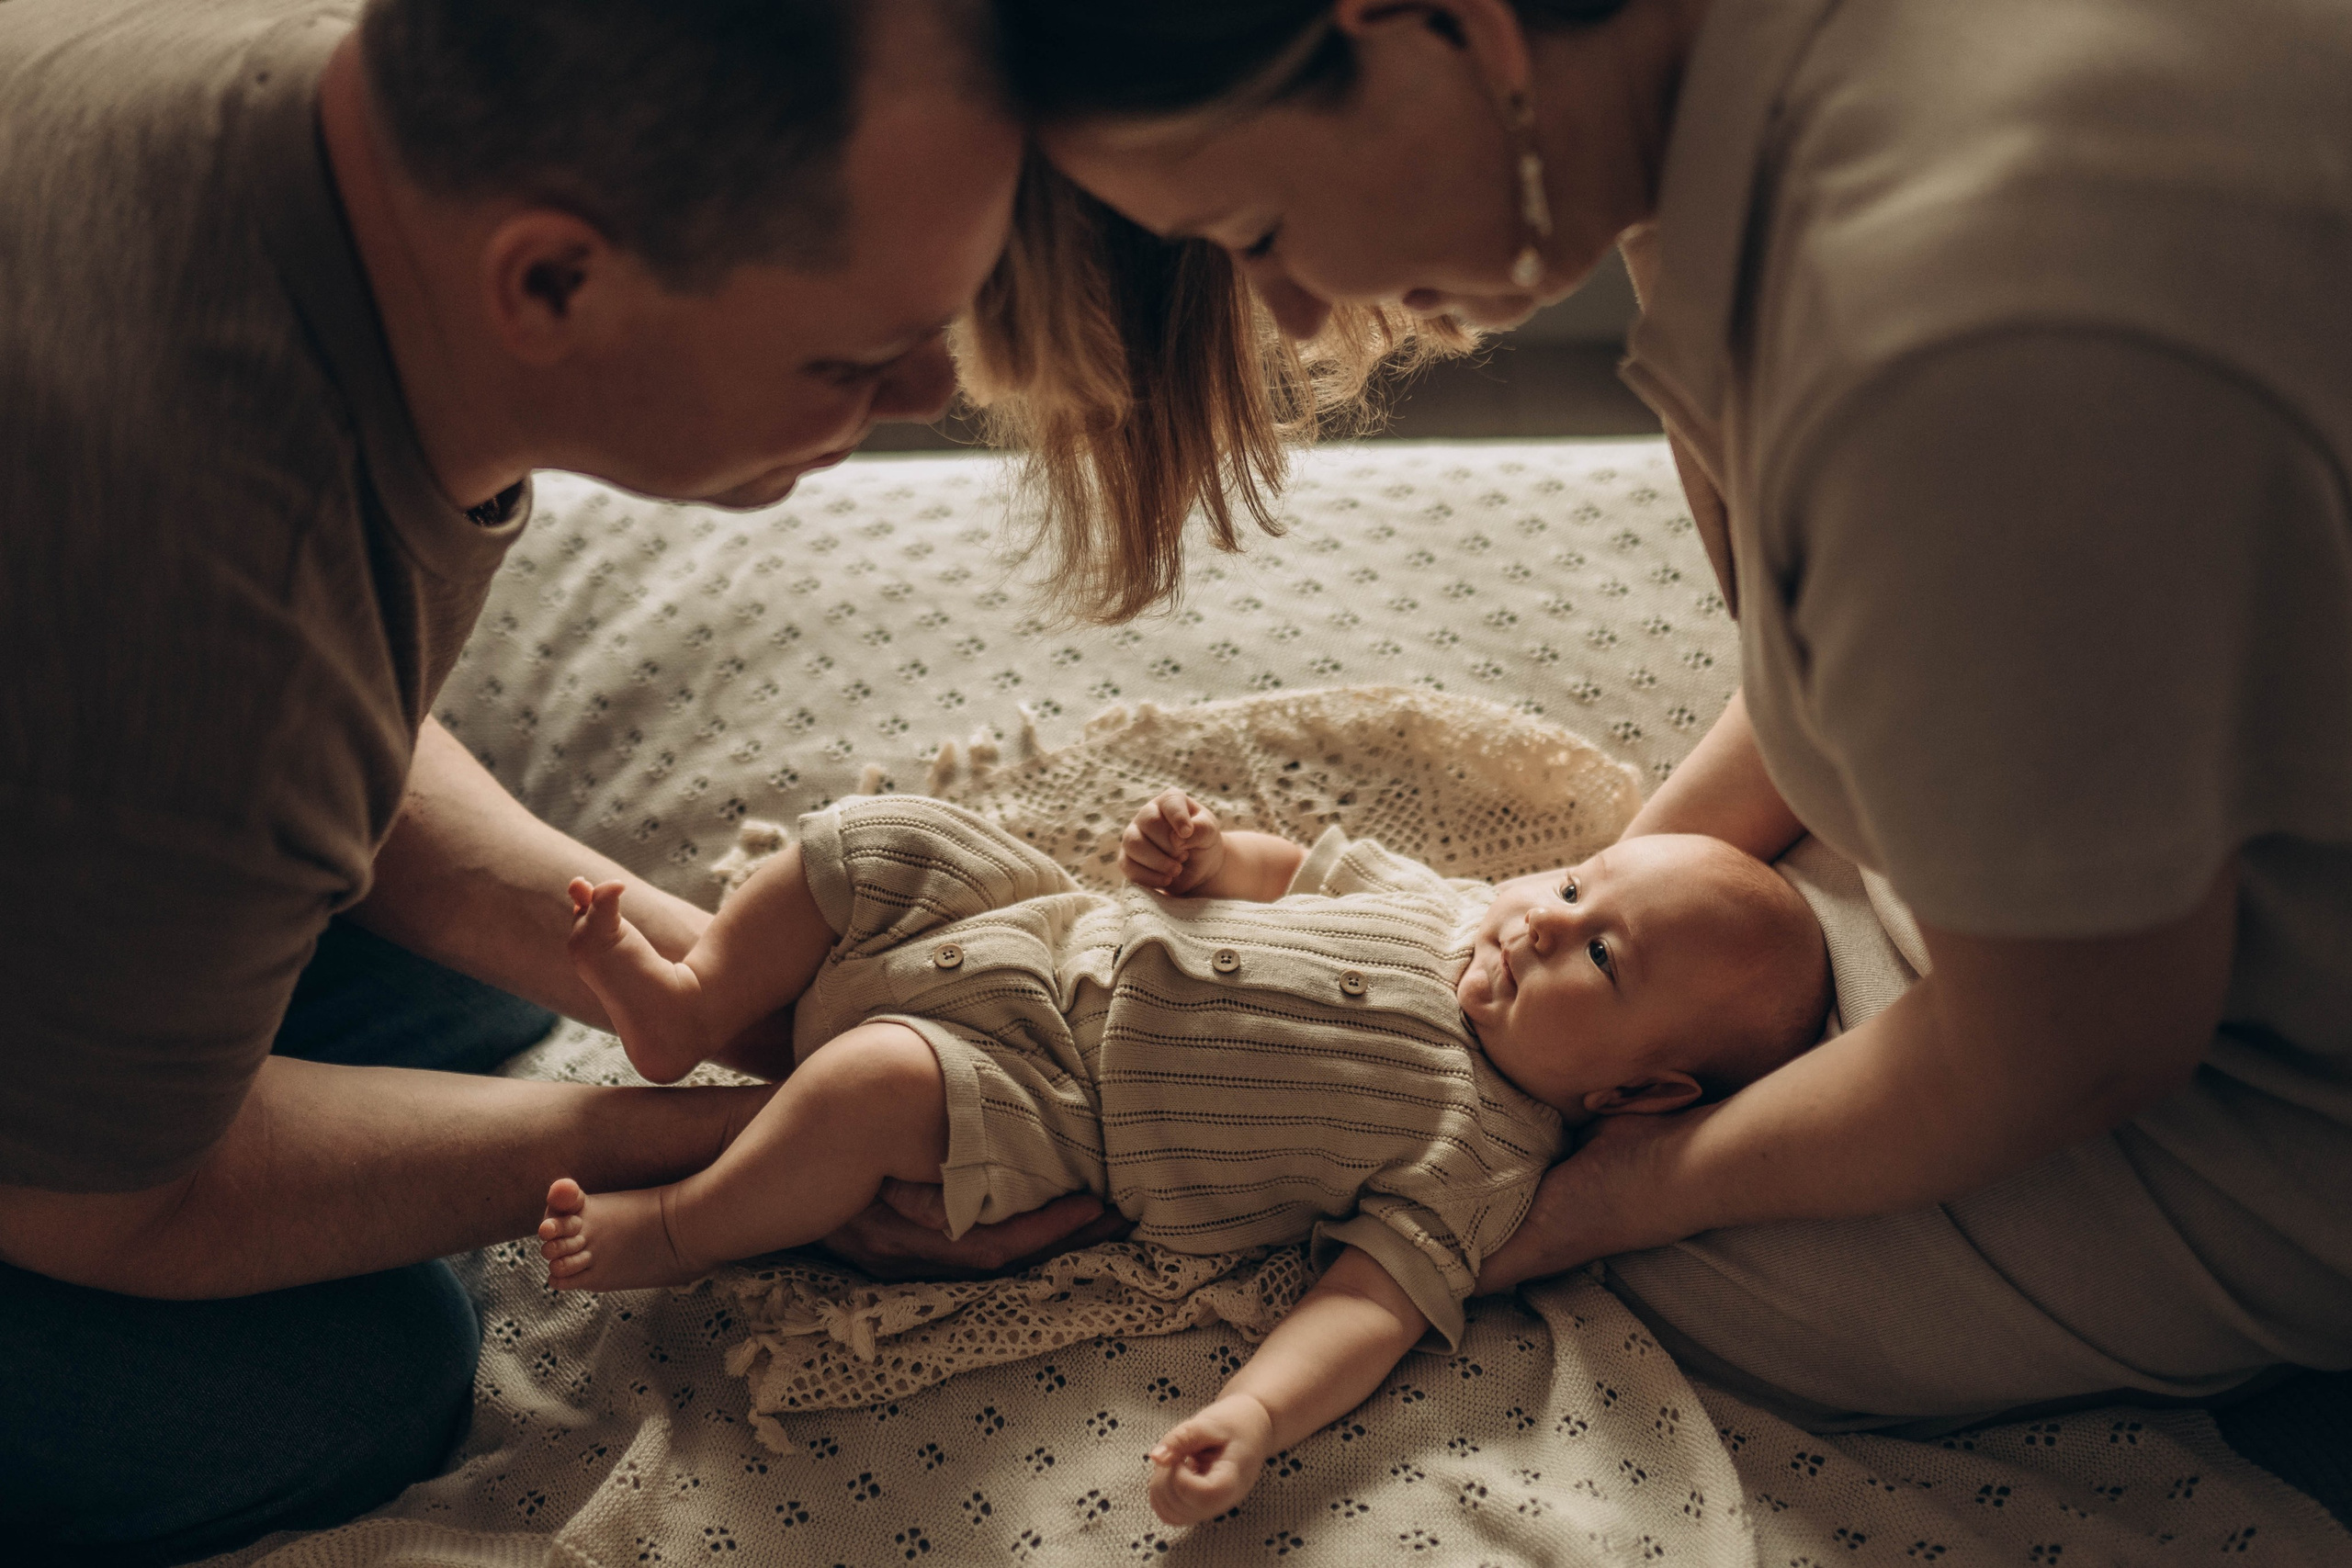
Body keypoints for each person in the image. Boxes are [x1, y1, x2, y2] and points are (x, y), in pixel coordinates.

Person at [967, 0, 2352, 1442]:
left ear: (1445, 27)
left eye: (1259, 230)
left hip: (2244, 1067)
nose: (1303, 311)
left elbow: (2082, 1044)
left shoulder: (1936, 343)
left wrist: (1615, 1195)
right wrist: (1601, 895)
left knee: (1584, 1283)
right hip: (2092, 889)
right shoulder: (1702, 131)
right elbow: (1854, 637)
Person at [0, 1, 1114, 1558]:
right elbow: (103, 1205)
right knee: (354, 1380)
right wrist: (758, 1152)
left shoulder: (313, 109)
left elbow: (322, 709)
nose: (932, 387)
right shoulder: (216, 573)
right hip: (73, 1165)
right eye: (851, 358)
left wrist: (730, 984)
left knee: (463, 994)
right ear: (549, 282)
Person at [536, 788, 1831, 1525]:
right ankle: (691, 1003)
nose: (1544, 922)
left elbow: (1369, 1306)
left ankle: (677, 1226)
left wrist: (1253, 1415)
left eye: (1600, 955)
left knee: (868, 1088)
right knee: (879, 837)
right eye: (1577, 884)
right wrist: (1210, 856)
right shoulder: (1439, 904)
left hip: (1051, 1098)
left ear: (1640, 1090)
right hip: (1039, 926)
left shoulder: (1486, 1155)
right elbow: (1295, 870)